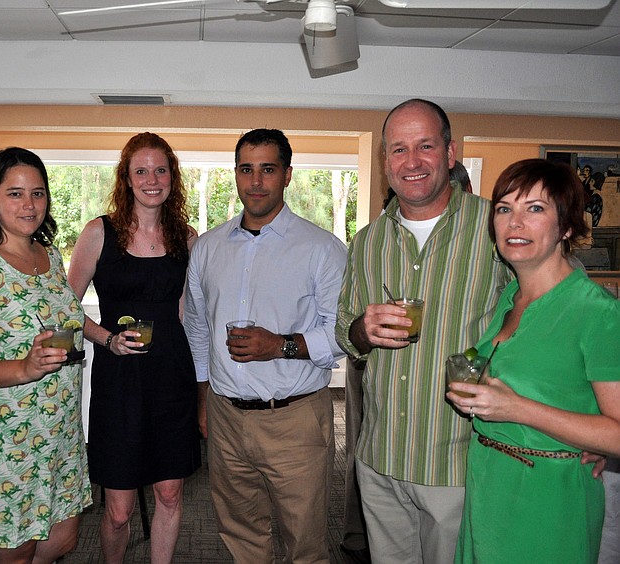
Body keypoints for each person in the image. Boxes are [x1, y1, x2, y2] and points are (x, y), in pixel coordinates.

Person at [336, 98, 512, 563]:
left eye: (425, 146)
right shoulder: (367, 240)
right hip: (380, 459)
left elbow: (549, 316)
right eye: (397, 150)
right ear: (384, 161)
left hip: (458, 462)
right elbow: (342, 329)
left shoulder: (498, 226)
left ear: (450, 153)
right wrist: (361, 330)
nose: (411, 162)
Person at [184, 128, 348, 563]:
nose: (255, 181)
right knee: (241, 538)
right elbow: (199, 329)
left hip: (293, 420)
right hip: (225, 418)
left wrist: (280, 345)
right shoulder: (208, 249)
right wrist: (203, 398)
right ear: (235, 175)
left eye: (268, 169)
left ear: (288, 175)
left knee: (305, 544)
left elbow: (341, 335)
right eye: (246, 169)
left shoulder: (322, 250)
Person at [446, 158, 620, 563]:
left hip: (550, 500)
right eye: (505, 209)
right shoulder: (511, 298)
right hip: (489, 487)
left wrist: (518, 409)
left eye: (535, 209)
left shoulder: (597, 313)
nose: (515, 223)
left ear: (568, 227)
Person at [0, 147, 91, 563]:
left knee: (61, 541)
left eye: (37, 193)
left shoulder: (49, 257)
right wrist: (23, 367)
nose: (29, 205)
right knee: (18, 552)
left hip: (59, 434)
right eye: (14, 193)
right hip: (5, 440)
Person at [67, 132, 201, 563]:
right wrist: (107, 339)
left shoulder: (188, 238)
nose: (151, 179)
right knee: (120, 511)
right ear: (126, 178)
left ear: (172, 178)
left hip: (170, 378)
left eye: (160, 169)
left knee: (169, 493)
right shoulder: (98, 233)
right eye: (140, 170)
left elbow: (185, 314)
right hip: (119, 382)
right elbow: (64, 309)